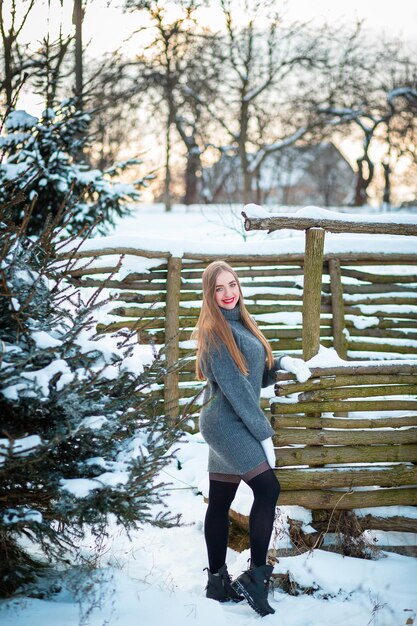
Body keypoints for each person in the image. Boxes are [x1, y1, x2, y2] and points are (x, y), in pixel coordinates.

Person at [192, 260, 311, 617]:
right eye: (219, 289)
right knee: (268, 489)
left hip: (230, 417)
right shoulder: (215, 333)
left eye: (232, 285)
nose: (228, 294)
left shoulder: (240, 324)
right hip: (225, 422)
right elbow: (238, 394)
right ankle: (256, 578)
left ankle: (217, 583)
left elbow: (250, 379)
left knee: (221, 499)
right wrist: (265, 436)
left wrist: (283, 364)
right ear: (209, 295)